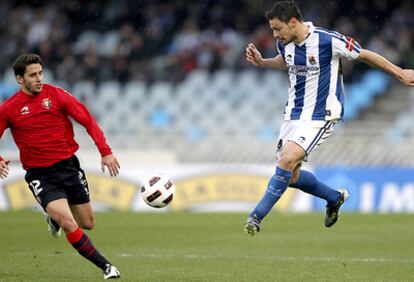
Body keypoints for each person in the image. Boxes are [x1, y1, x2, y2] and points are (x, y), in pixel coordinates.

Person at [244, 1, 414, 236]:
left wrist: (399, 72)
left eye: (277, 28)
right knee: (290, 176)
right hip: (292, 115)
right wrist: (263, 62)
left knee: (286, 159)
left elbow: (363, 54)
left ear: (293, 22)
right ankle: (334, 198)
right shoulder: (284, 44)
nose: (274, 34)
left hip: (321, 115)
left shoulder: (328, 40)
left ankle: (255, 217)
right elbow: (285, 61)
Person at [0, 54, 122, 279]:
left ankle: (52, 217)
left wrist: (105, 152)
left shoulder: (56, 95)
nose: (39, 78)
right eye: (32, 75)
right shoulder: (9, 109)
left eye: (40, 73)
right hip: (40, 174)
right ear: (20, 79)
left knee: (87, 223)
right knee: (68, 222)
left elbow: (87, 120)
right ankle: (106, 267)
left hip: (68, 167)